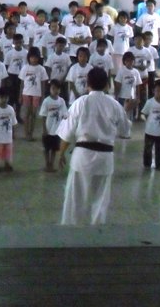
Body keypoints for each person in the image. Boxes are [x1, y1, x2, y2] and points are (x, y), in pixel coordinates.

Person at [57, 67, 128, 226]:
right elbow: (125, 132)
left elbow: (67, 134)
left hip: (82, 157)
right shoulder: (115, 105)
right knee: (100, 201)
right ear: (107, 85)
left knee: (75, 200)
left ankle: (71, 232)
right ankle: (97, 233)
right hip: (105, 158)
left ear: (87, 84)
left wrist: (61, 154)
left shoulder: (80, 103)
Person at [19, 47, 48, 141]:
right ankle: (26, 133)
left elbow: (43, 83)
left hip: (37, 93)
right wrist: (20, 95)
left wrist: (43, 96)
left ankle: (31, 133)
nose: (34, 59)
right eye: (32, 57)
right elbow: (22, 83)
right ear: (29, 58)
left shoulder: (41, 69)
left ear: (39, 58)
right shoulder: (25, 68)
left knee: (33, 114)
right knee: (26, 114)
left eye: (36, 57)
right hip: (26, 93)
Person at [39, 79, 68, 172]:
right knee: (47, 148)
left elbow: (65, 114)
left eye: (58, 89)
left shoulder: (61, 101)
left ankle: (51, 164)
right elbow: (43, 116)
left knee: (54, 149)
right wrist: (44, 129)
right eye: (53, 88)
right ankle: (47, 164)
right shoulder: (46, 101)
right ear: (50, 89)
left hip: (57, 130)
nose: (56, 91)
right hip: (48, 129)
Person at [142, 80, 160, 171]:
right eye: (157, 90)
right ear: (153, 91)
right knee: (148, 148)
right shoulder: (150, 102)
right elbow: (145, 113)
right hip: (150, 131)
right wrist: (150, 122)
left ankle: (159, 164)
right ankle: (147, 164)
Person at [114, 52, 141, 137]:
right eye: (127, 61)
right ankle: (121, 131)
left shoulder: (136, 72)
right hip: (122, 96)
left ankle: (127, 132)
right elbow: (118, 84)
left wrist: (138, 97)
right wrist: (116, 96)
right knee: (122, 115)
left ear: (134, 61)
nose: (129, 62)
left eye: (131, 61)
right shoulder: (121, 71)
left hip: (132, 97)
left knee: (130, 115)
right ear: (124, 61)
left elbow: (138, 85)